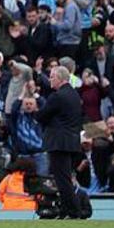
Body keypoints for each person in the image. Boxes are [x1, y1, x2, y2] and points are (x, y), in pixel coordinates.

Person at [38, 65, 83, 218]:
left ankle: (74, 210)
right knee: (64, 177)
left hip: (59, 142)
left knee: (62, 179)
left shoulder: (57, 96)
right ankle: (65, 210)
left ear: (60, 78)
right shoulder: (75, 95)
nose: (50, 79)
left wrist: (36, 112)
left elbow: (42, 116)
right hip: (71, 141)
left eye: (52, 76)